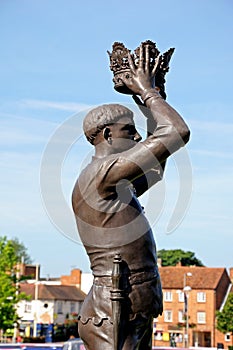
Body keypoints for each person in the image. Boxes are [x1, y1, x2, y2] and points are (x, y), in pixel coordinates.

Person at [72, 44, 190, 350]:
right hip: (113, 311)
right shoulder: (102, 175)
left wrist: (154, 95)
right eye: (129, 131)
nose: (138, 138)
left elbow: (156, 168)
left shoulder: (119, 184)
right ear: (107, 135)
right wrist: (149, 94)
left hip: (130, 307)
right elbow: (176, 131)